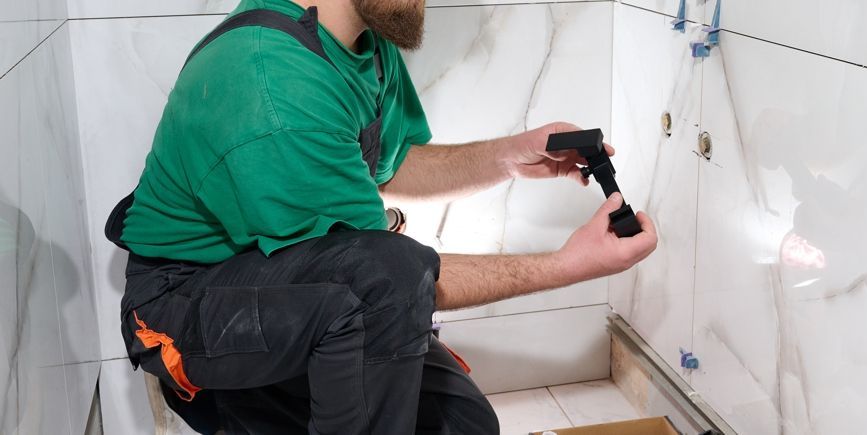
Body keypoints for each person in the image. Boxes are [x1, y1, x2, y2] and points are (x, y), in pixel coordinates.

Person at [111, 0, 658, 433]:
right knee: (385, 278)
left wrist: (509, 156)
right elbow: (383, 284)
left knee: (463, 425)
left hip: (287, 289)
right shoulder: (273, 85)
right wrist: (568, 265)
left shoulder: (359, 40)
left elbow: (391, 165)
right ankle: (236, 401)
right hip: (184, 306)